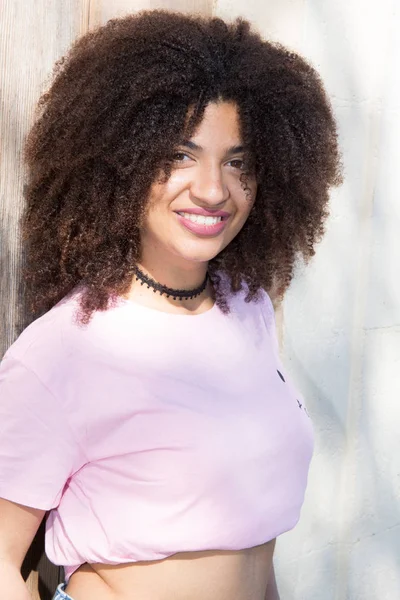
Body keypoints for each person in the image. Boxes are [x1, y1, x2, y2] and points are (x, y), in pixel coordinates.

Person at [0, 9, 342, 600]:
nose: (213, 189)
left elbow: (248, 539)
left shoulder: (249, 309)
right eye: (179, 156)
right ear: (121, 161)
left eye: (239, 163)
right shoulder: (63, 351)